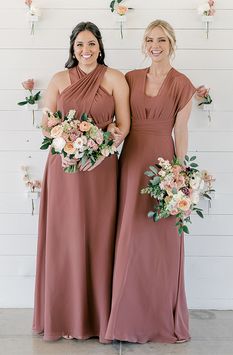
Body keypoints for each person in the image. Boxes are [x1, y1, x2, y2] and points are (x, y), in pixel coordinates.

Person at [32, 21, 130, 343]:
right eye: (79, 45)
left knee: (98, 237)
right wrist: (62, 139)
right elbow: (46, 122)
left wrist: (100, 148)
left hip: (100, 170)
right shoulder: (59, 79)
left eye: (90, 44)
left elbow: (123, 127)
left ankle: (99, 319)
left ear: (100, 45)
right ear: (72, 49)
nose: (85, 51)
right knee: (65, 238)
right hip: (64, 168)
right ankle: (62, 316)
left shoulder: (115, 78)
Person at [105, 19, 196, 344]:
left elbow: (181, 132)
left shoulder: (183, 84)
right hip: (131, 163)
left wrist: (179, 174)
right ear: (144, 44)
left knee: (161, 242)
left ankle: (159, 318)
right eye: (149, 40)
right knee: (129, 237)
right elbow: (118, 121)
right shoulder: (129, 78)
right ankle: (125, 319)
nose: (154, 45)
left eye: (161, 39)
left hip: (162, 164)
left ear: (171, 43)